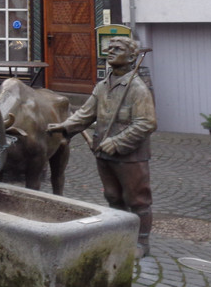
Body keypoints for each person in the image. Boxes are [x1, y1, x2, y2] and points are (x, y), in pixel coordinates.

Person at [47, 37, 156, 257]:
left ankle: (141, 243)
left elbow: (147, 123)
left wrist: (117, 142)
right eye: (110, 48)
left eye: (118, 49)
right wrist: (65, 126)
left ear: (132, 57)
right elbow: (86, 114)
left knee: (137, 199)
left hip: (130, 155)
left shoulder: (137, 88)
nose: (110, 52)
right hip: (103, 153)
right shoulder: (102, 86)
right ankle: (118, 233)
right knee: (113, 196)